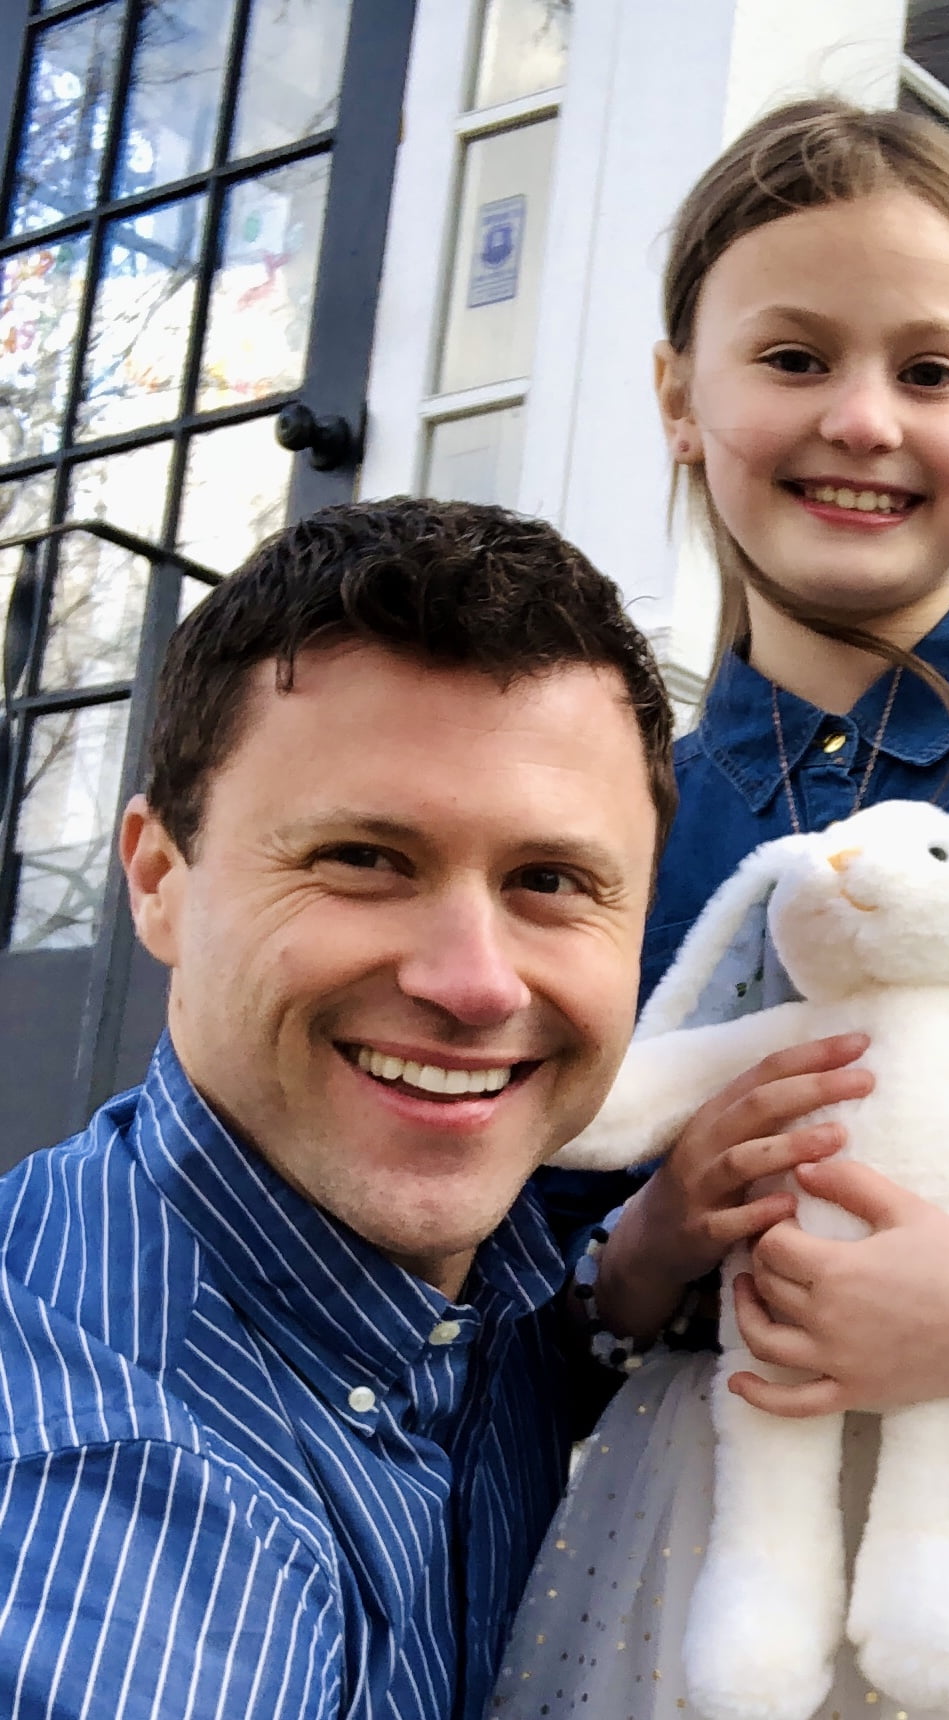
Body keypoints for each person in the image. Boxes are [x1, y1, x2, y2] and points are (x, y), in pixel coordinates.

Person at [491, 99, 949, 1719]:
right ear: (675, 397)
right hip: (692, 1534)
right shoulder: (608, 807)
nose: (859, 418)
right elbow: (517, 1228)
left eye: (927, 371)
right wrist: (650, 1240)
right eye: (789, 358)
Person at [0, 498, 682, 1717]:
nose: (473, 983)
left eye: (551, 881)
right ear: (161, 880)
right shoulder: (97, 1496)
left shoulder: (487, 1295)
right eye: (364, 858)